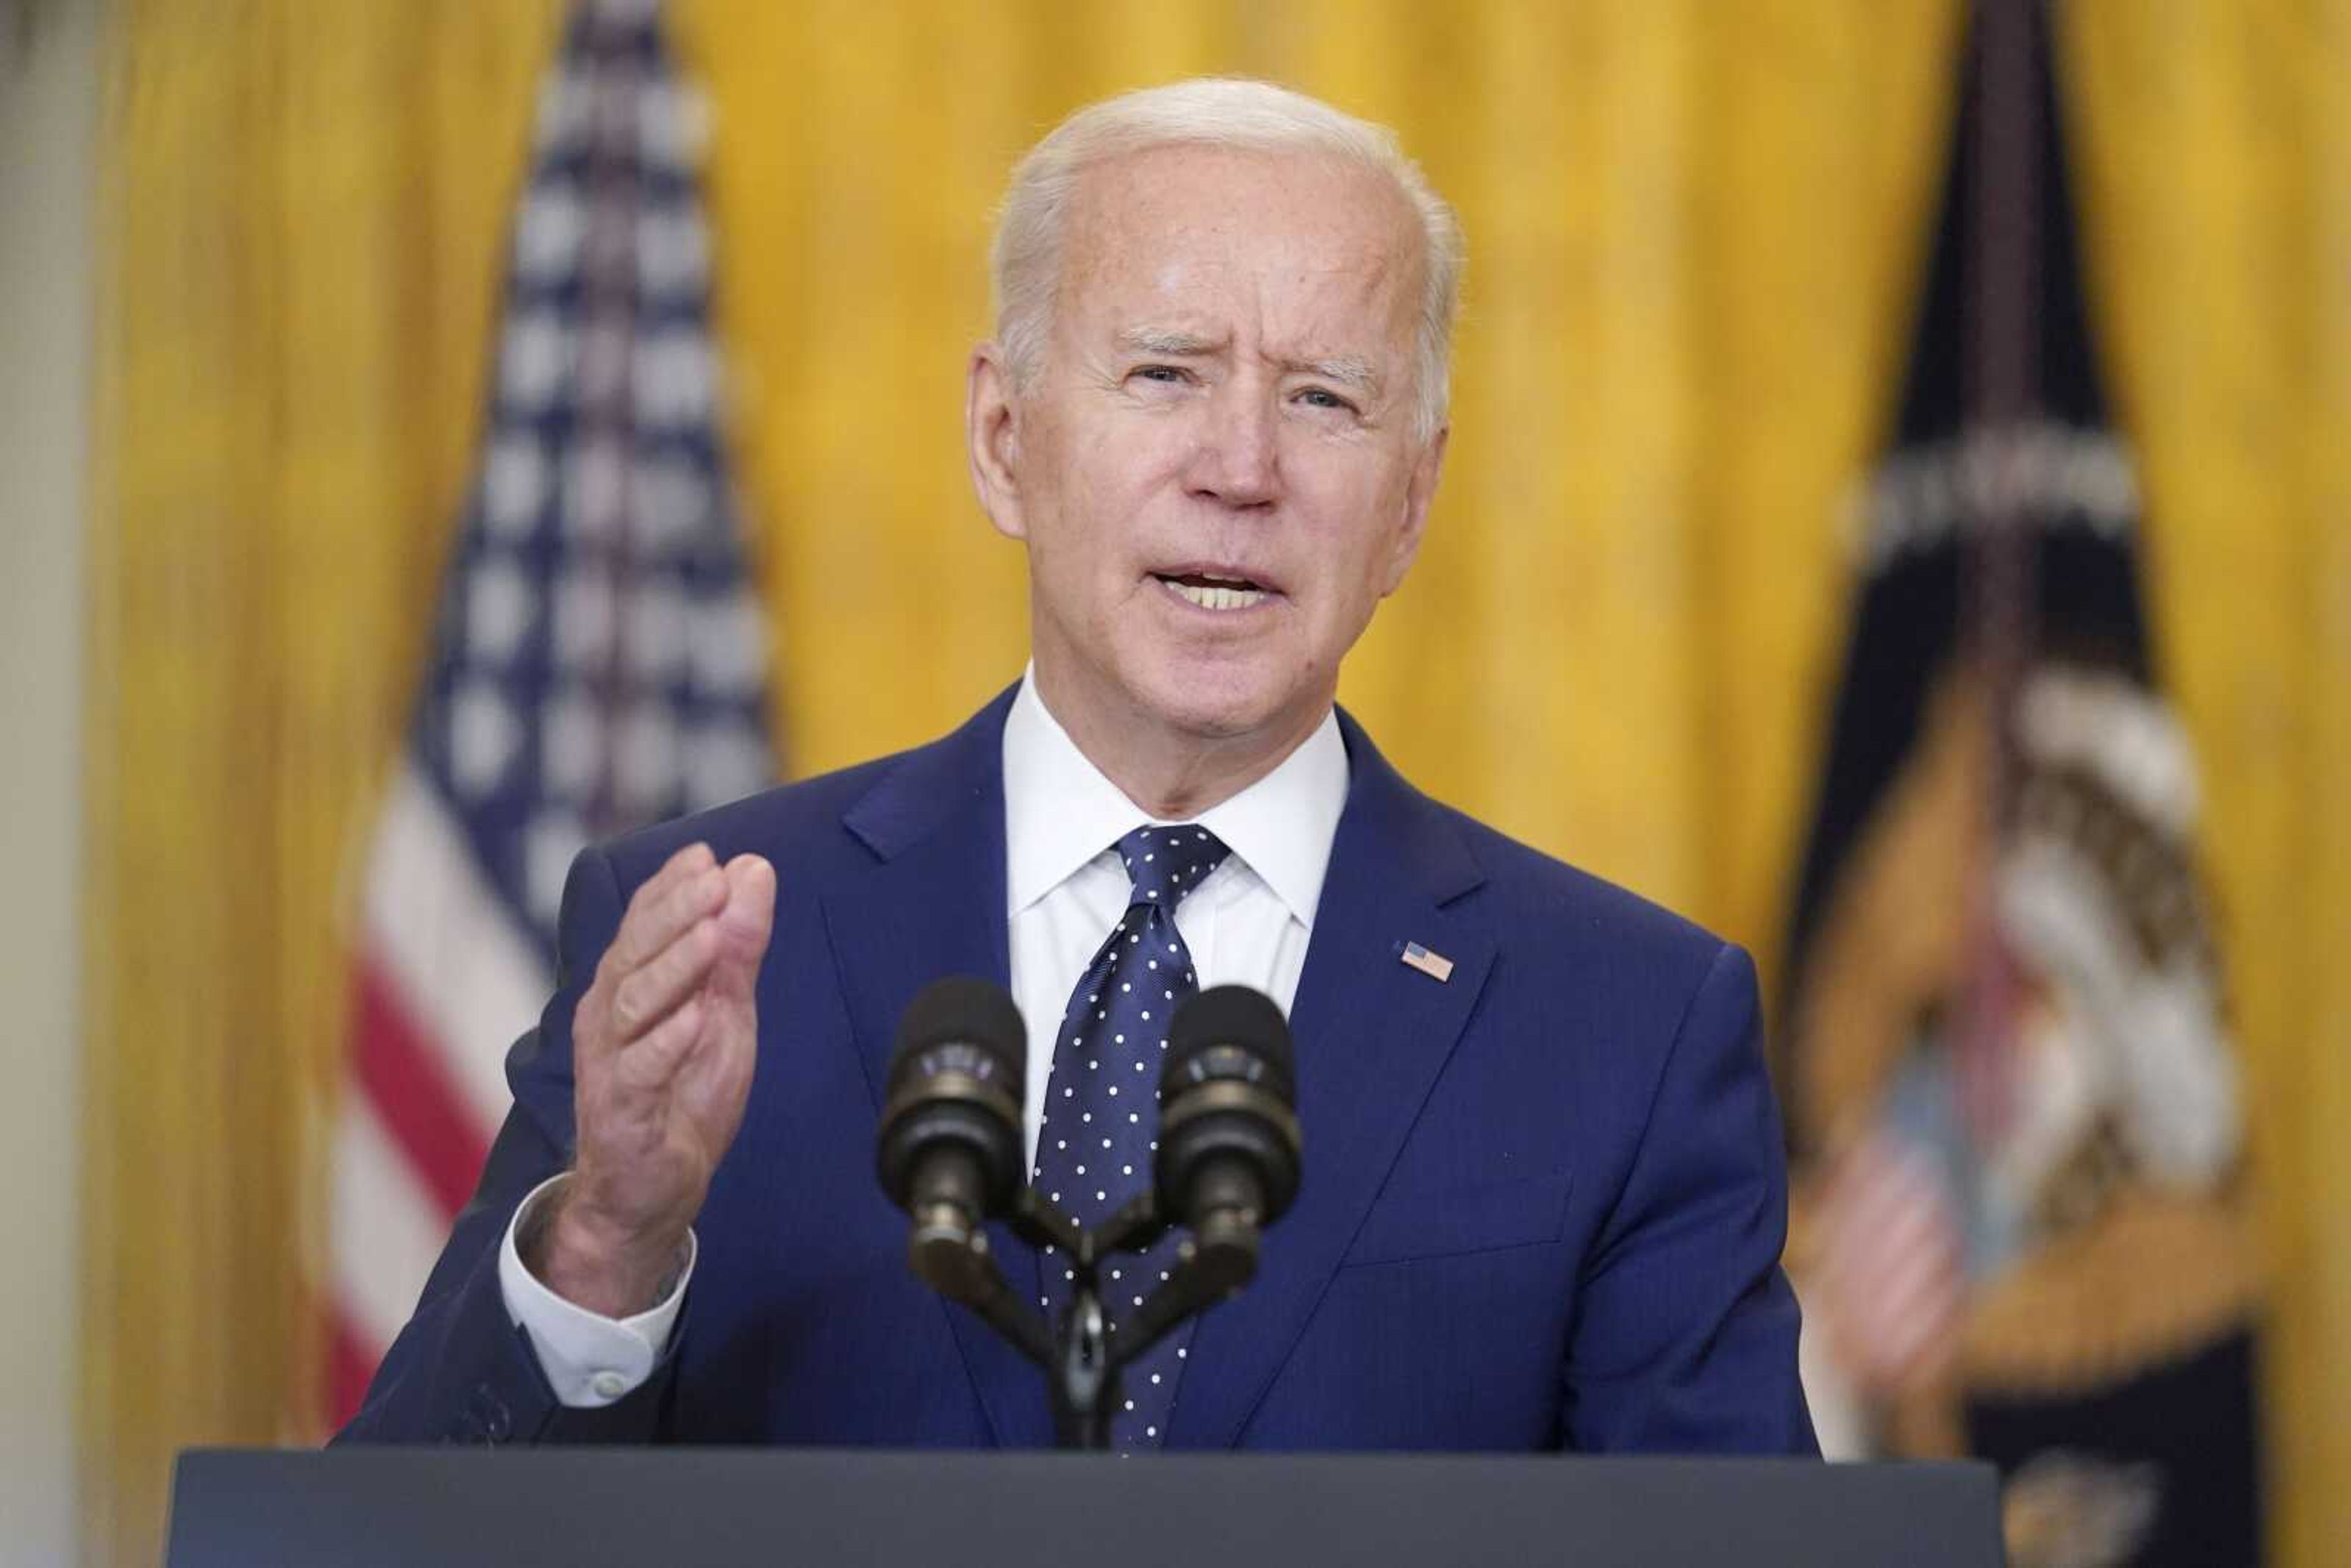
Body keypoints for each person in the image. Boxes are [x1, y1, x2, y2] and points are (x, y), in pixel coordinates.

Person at [340, 77, 1817, 1455]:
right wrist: (608, 1243)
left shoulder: (1624, 1029)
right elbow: (389, 1543)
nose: (1242, 467)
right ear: (1001, 440)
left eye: (1323, 399)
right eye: (1166, 373)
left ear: (1412, 503)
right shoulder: (723, 942)